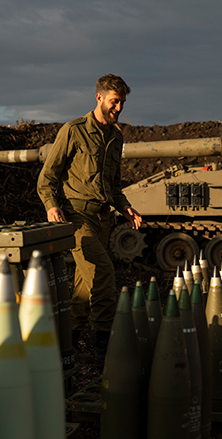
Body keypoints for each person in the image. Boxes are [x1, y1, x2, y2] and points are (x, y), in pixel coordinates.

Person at [37, 74, 143, 361]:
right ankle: (103, 347)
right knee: (104, 273)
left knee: (85, 288)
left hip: (104, 219)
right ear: (99, 98)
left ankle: (66, 346)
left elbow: (114, 183)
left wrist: (124, 206)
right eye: (114, 101)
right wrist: (51, 205)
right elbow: (47, 177)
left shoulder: (116, 136)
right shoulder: (73, 131)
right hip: (77, 218)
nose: (118, 108)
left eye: (122, 102)